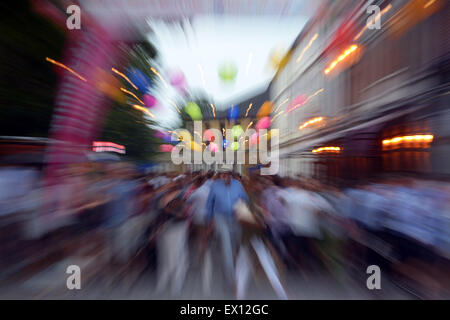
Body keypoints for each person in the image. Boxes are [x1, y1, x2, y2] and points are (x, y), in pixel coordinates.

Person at [205, 166, 248, 284]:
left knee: (236, 245)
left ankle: (234, 265)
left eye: (227, 174)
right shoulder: (214, 185)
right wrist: (209, 222)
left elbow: (245, 200)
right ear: (220, 175)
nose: (224, 176)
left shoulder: (238, 185)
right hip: (220, 218)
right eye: (222, 174)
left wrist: (244, 215)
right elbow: (209, 204)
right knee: (226, 245)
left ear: (230, 174)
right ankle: (230, 277)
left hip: (235, 219)